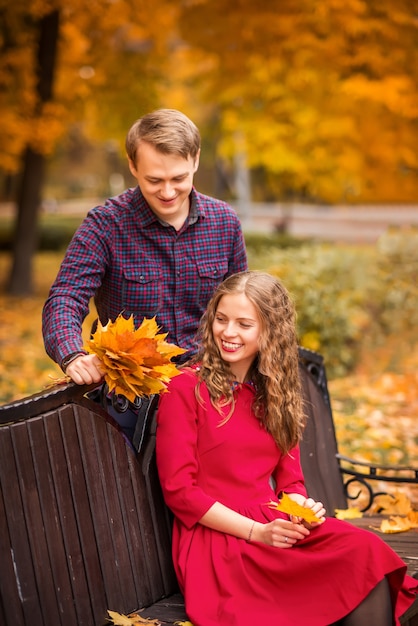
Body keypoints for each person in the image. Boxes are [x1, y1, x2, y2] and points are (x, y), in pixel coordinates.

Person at [156, 271, 417, 626]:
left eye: (244, 324)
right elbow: (180, 492)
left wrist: (299, 509)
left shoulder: (276, 394)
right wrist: (256, 532)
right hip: (219, 538)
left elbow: (290, 482)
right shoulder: (186, 389)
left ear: (270, 332)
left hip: (271, 524)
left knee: (367, 555)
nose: (228, 333)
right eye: (221, 319)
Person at [42, 108, 248, 440]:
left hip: (212, 393)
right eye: (154, 180)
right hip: (131, 403)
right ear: (133, 166)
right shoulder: (105, 225)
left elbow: (243, 306)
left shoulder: (224, 222)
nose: (168, 192)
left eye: (178, 178)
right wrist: (72, 354)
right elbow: (66, 298)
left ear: (195, 160)